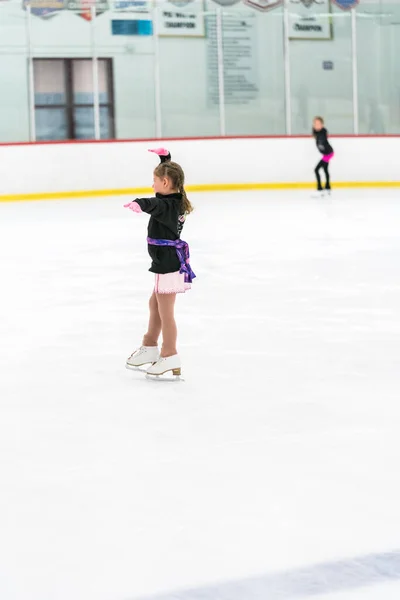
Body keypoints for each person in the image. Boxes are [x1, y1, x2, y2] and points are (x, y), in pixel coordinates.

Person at [123, 149, 195, 378]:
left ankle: (170, 353)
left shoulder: (168, 207)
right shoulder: (173, 198)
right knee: (155, 305)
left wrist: (138, 203)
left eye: (154, 181)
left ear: (165, 182)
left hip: (168, 264)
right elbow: (165, 187)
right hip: (164, 262)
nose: (152, 185)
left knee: (165, 312)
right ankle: (151, 346)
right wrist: (165, 159)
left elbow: (154, 204)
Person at [312, 117, 334, 196]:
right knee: (325, 169)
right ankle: (328, 187)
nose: (316, 125)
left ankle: (319, 188)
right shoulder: (315, 131)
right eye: (315, 124)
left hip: (328, 154)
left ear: (322, 125)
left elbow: (323, 137)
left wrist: (321, 138)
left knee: (316, 169)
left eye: (318, 124)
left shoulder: (323, 132)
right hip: (326, 154)